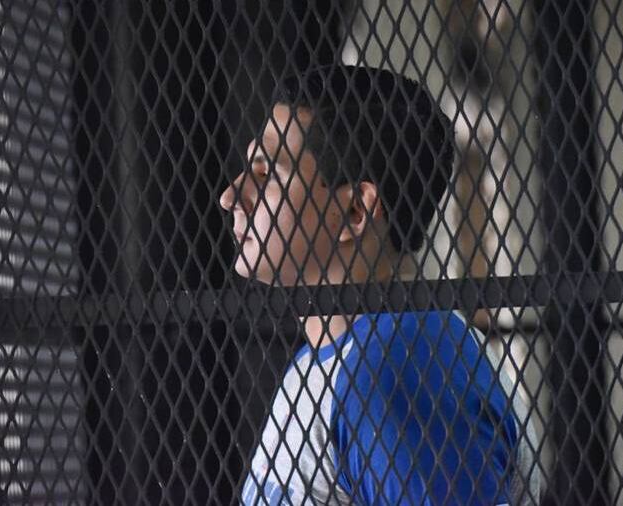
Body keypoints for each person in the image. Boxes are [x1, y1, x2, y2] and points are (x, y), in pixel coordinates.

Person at [218, 64, 534, 505]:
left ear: (355, 212)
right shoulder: (336, 360)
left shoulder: (397, 362)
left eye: (266, 173)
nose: (230, 197)